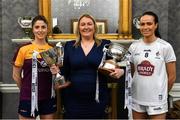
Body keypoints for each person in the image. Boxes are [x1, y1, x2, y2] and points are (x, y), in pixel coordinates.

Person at [50, 13, 125, 119]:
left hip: (97, 98)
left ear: (94, 26)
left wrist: (120, 71)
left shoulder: (105, 44)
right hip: (73, 98)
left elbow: (113, 66)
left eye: (89, 24)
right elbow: (64, 70)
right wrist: (57, 72)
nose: (86, 27)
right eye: (83, 24)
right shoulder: (69, 46)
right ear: (78, 28)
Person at [128, 11, 176, 119]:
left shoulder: (165, 47)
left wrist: (162, 94)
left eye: (149, 24)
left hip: (157, 101)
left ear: (156, 25)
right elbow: (131, 72)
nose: (145, 27)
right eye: (142, 24)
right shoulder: (133, 46)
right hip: (137, 98)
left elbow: (172, 76)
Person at [12, 15, 57, 119]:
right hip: (28, 97)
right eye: (37, 27)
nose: (40, 30)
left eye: (43, 27)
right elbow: (15, 75)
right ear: (33, 29)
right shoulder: (23, 49)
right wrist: (25, 90)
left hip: (48, 97)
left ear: (47, 29)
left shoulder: (52, 50)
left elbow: (55, 75)